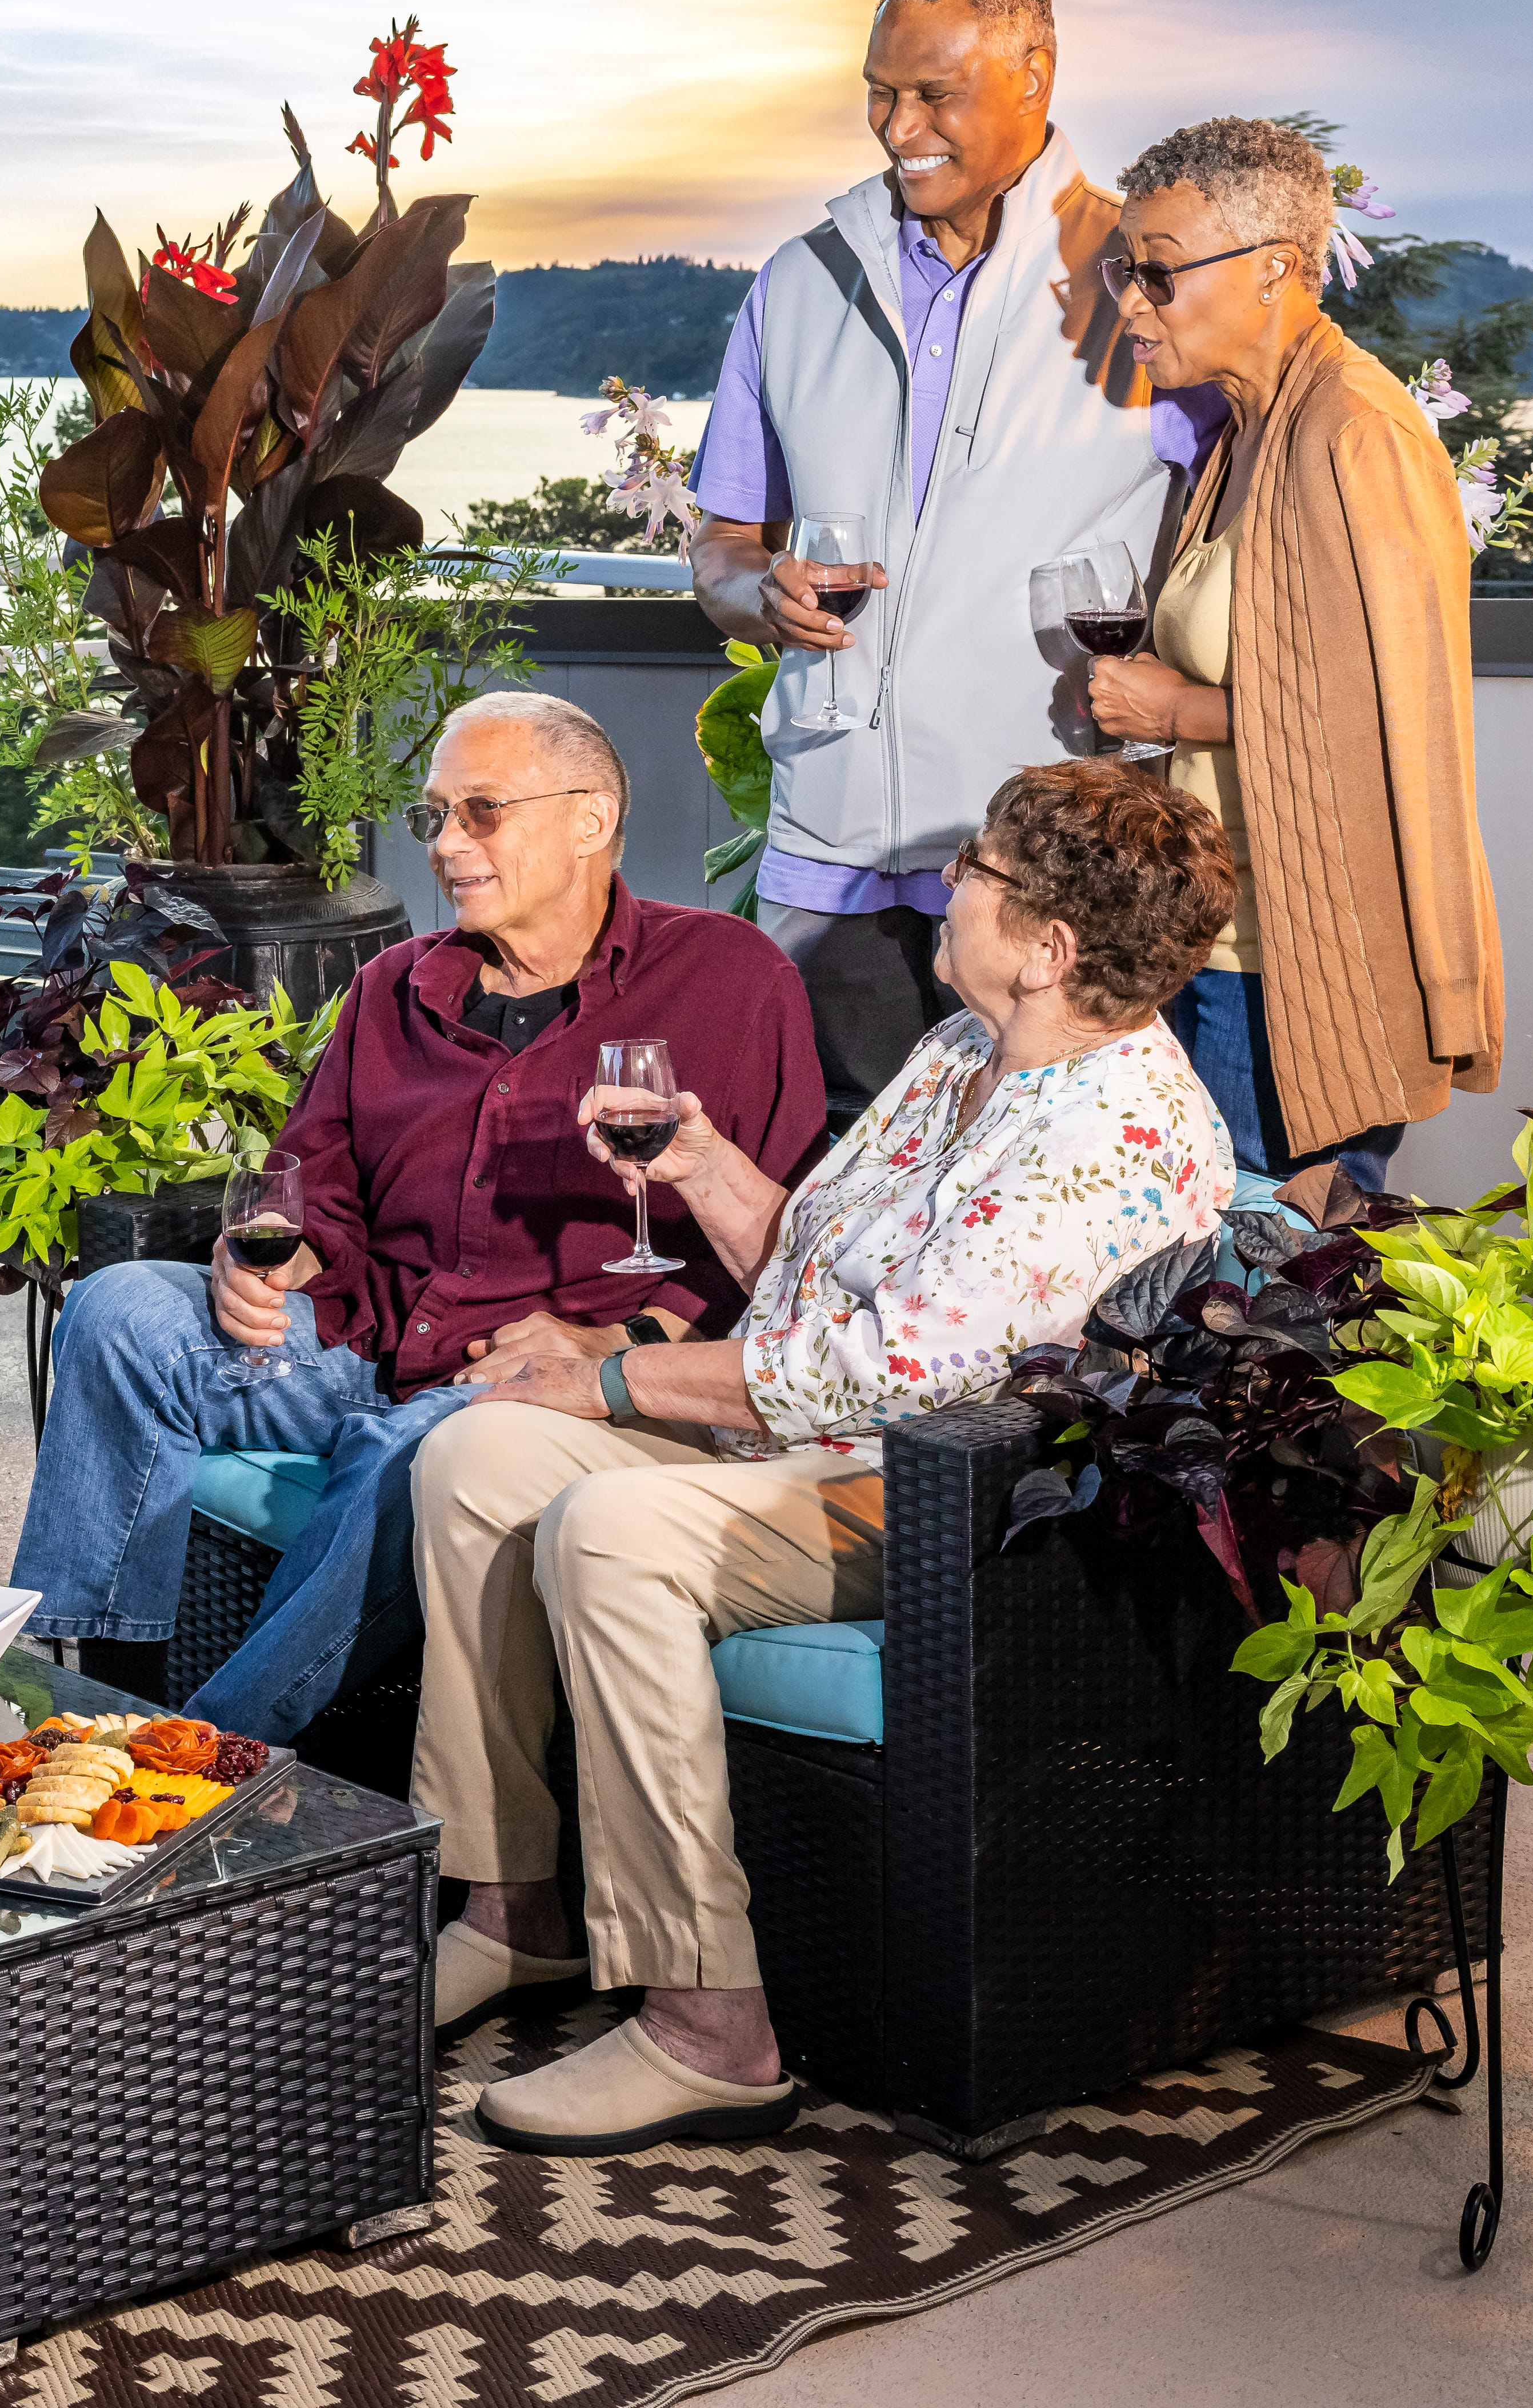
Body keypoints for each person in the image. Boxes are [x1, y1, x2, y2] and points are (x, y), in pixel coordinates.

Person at [409, 761, 1236, 2155]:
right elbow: (823, 1265)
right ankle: (515, 1906)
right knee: (476, 1455)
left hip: (936, 1491)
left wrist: (609, 1372)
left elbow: (887, 1365)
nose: (947, 883)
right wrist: (707, 1165)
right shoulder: (971, 1051)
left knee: (609, 1529)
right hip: (809, 1433)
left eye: (977, 868)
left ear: (1050, 949)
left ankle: (710, 2027)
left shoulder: (1105, 1136)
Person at [7, 695, 822, 1734]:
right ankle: (83, 1706)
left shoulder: (729, 979)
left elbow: (785, 1247)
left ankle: (205, 1758)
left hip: (542, 1389)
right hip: (367, 1345)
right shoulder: (395, 984)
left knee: (429, 1447)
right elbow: (315, 1193)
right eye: (435, 816)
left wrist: (618, 1339)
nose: (446, 845)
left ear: (593, 819)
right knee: (124, 1308)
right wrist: (269, 1264)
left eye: (482, 811)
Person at [688, 0, 1191, 1129]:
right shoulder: (798, 282)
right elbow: (719, 540)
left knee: (1041, 1199)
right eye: (879, 88)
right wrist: (760, 590)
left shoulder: (1140, 283)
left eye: (933, 93)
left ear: (1037, 75)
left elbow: (1248, 552)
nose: (894, 123)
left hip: (1046, 855)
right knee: (831, 1183)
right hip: (834, 848)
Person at [1080, 117, 1504, 1206]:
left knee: (1260, 1313)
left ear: (1275, 269)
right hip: (1216, 946)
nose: (1131, 302)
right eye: (1126, 271)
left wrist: (1177, 713)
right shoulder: (1244, 430)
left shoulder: (1359, 429)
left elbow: (1397, 714)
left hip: (1296, 969)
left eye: (1159, 275)